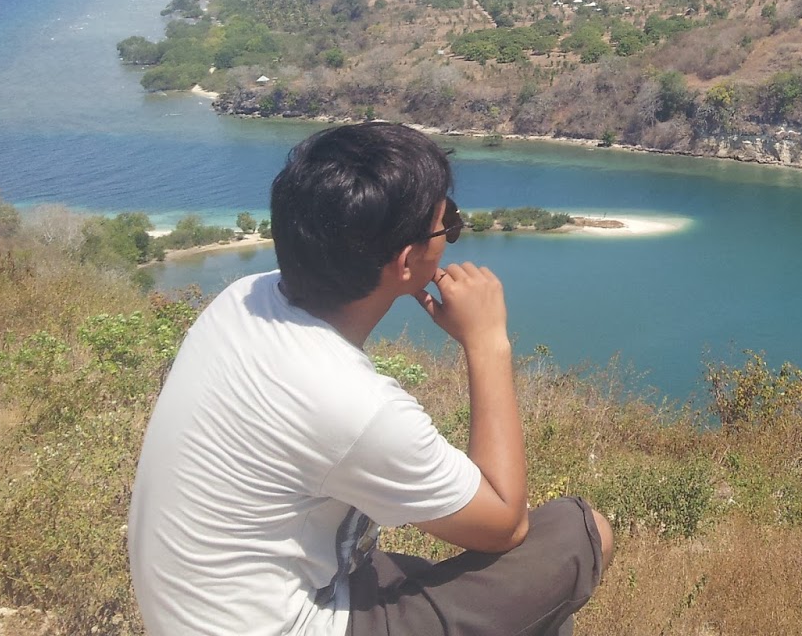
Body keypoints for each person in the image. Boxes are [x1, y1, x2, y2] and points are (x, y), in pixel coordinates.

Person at [129, 122, 611, 636]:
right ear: (407, 261)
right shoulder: (351, 403)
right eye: (447, 225)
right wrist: (487, 342)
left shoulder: (240, 299)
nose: (450, 234)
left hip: (205, 610)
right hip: (286, 622)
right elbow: (504, 525)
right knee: (578, 532)